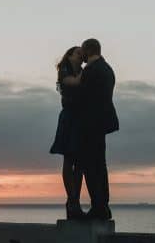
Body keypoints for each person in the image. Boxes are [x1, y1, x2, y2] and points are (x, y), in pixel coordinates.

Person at [76, 37, 118, 221]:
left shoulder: (91, 70)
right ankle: (103, 206)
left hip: (90, 124)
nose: (82, 55)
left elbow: (82, 97)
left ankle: (98, 206)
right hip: (101, 123)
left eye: (83, 51)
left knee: (90, 165)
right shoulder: (107, 69)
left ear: (88, 50)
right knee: (100, 165)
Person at [49, 45, 85, 219]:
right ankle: (72, 200)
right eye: (78, 53)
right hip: (70, 117)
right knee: (69, 159)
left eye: (82, 54)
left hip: (80, 118)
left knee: (80, 163)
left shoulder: (81, 71)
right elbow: (74, 82)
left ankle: (75, 201)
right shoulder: (65, 70)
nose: (81, 57)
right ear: (69, 56)